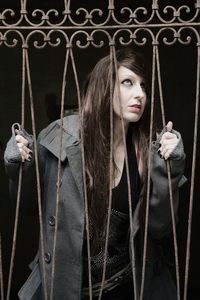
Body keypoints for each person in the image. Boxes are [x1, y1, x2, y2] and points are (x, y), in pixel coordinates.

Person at [4, 48, 186, 300]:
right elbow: (28, 205)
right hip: (66, 288)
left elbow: (160, 228)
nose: (139, 94)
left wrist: (169, 170)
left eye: (143, 86)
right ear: (103, 87)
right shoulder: (61, 138)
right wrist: (20, 166)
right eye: (127, 83)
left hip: (127, 286)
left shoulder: (147, 149)